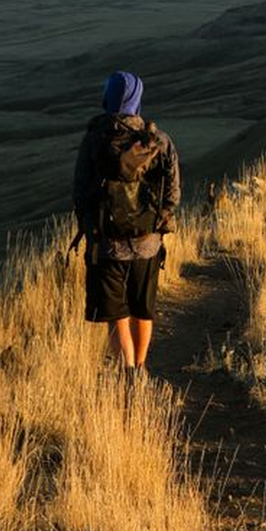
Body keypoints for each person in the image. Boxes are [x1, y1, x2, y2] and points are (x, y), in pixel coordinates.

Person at [72, 70, 181, 373]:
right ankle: (141, 368)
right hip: (147, 243)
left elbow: (81, 191)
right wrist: (159, 222)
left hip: (107, 245)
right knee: (141, 310)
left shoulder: (95, 139)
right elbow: (173, 192)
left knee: (117, 314)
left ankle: (128, 376)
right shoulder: (158, 141)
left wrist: (90, 225)